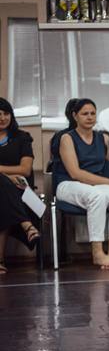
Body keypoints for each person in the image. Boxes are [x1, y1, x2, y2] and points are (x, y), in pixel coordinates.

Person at [55, 98, 109, 270]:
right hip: (68, 184)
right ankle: (97, 252)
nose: (89, 117)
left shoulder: (103, 138)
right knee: (97, 196)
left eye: (92, 113)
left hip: (95, 185)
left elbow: (107, 168)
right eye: (85, 114)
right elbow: (76, 174)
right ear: (75, 116)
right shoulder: (67, 138)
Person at [0, 98, 41, 274]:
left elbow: (25, 170)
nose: (2, 118)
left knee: (2, 195)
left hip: (22, 191)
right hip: (10, 192)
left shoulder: (22, 137)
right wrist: (8, 176)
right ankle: (27, 226)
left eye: (6, 113)